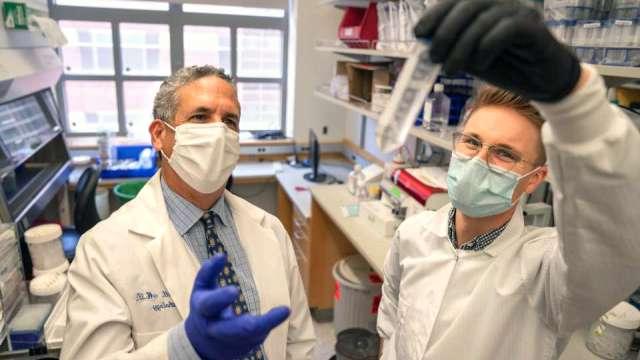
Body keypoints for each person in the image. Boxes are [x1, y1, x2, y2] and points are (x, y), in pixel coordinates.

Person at [377, 1, 640, 359]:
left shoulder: (545, 274)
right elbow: (391, 319)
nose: (479, 160)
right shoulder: (412, 234)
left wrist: (573, 99)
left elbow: (615, 240)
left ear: (535, 178)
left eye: (505, 153)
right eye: (471, 142)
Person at [61, 66, 315, 359]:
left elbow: (300, 343)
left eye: (230, 121)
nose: (219, 132)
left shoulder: (270, 229)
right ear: (159, 135)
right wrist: (183, 347)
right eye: (200, 117)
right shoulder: (101, 251)